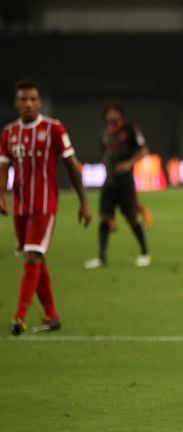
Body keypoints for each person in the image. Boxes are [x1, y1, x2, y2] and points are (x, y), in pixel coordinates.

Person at [0, 79, 92, 335]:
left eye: (32, 99)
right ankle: (52, 315)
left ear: (39, 102)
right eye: (23, 99)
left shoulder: (53, 129)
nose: (28, 104)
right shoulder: (9, 133)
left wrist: (83, 202)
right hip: (20, 207)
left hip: (44, 205)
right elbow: (3, 167)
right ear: (16, 103)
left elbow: (72, 167)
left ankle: (19, 316)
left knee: (32, 257)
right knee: (37, 259)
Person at [84, 102, 151, 269]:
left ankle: (144, 253)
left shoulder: (130, 129)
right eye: (108, 112)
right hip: (109, 182)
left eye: (114, 111)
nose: (111, 115)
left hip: (125, 182)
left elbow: (143, 150)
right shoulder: (104, 133)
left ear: (121, 113)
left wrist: (129, 163)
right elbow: (104, 154)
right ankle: (101, 257)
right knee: (104, 218)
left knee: (131, 217)